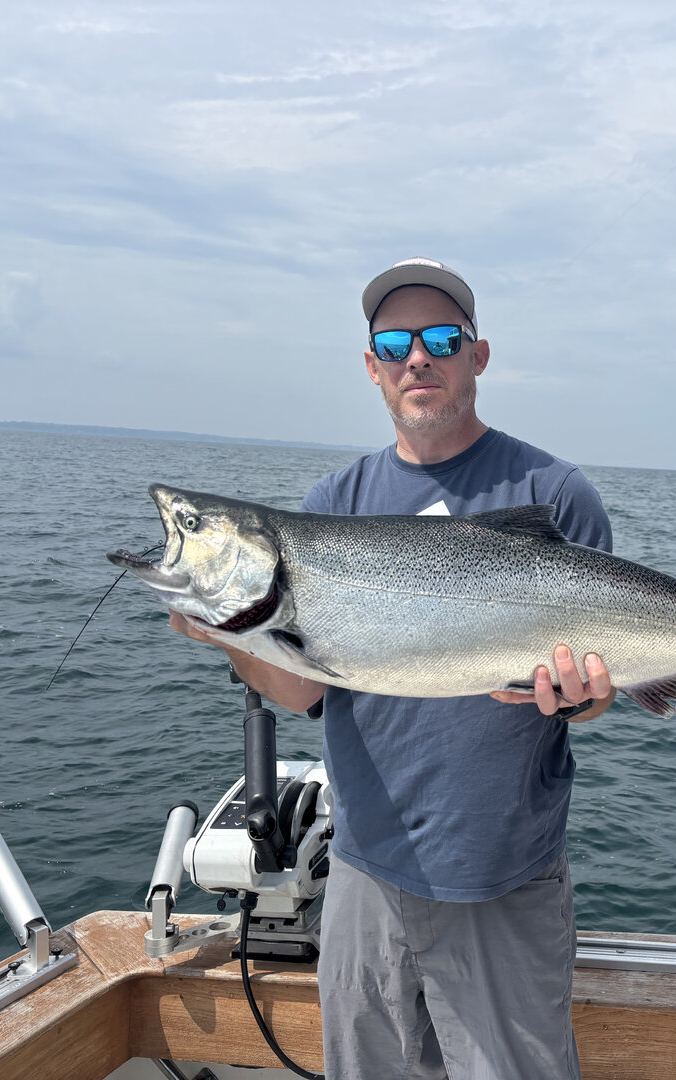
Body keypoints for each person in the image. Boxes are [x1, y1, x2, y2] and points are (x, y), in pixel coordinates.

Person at [173, 257, 615, 1079]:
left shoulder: (556, 491)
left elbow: (592, 694)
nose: (418, 358)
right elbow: (302, 688)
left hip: (501, 874)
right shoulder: (332, 504)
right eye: (394, 343)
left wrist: (585, 700)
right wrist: (231, 635)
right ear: (372, 366)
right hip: (362, 871)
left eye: (441, 339)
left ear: (478, 356)